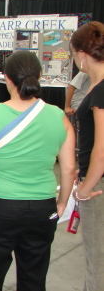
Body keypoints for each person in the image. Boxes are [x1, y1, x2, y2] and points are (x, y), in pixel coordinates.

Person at [0, 50, 76, 291]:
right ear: (39, 76)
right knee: (34, 278)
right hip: (42, 207)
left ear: (7, 78)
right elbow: (69, 169)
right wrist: (60, 204)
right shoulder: (59, 118)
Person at [70, 21, 104, 291]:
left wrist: (85, 189)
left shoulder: (101, 91)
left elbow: (101, 151)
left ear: (82, 54)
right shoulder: (96, 88)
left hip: (98, 187)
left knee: (98, 260)